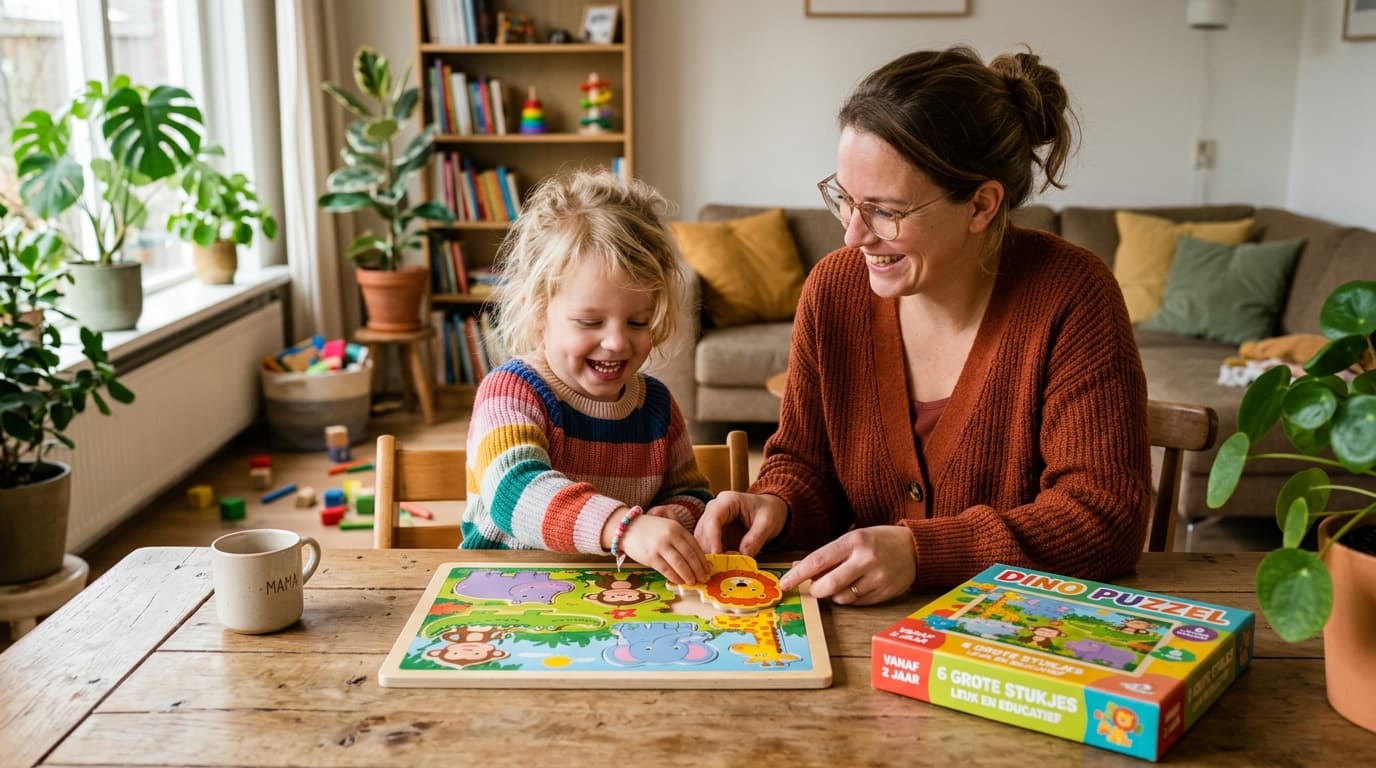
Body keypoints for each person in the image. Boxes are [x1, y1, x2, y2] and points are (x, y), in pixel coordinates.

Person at [695, 45, 1151, 604]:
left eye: (885, 210)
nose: (853, 235)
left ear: (981, 206)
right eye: (845, 199)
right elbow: (805, 464)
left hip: (1007, 646)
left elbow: (1104, 516)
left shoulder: (1072, 294)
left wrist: (924, 552)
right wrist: (779, 506)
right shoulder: (833, 290)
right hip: (856, 632)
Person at [464, 171, 712, 586]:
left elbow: (693, 495)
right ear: (538, 314)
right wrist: (625, 528)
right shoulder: (510, 390)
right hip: (503, 595)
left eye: (638, 321)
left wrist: (673, 516)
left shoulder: (657, 406)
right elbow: (514, 490)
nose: (616, 342)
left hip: (620, 599)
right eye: (590, 321)